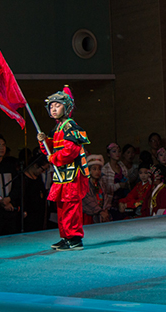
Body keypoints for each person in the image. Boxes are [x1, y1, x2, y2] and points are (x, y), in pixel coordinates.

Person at [37, 86, 91, 251]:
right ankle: (66, 237)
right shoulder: (57, 128)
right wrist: (43, 141)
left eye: (57, 105)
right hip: (62, 173)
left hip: (72, 174)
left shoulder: (70, 126)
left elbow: (70, 151)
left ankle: (74, 238)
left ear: (67, 108)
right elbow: (50, 149)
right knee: (62, 207)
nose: (53, 109)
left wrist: (53, 158)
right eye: (51, 106)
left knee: (71, 207)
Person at [8, 152, 49, 233]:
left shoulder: (38, 178)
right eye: (42, 169)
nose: (43, 172)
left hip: (39, 214)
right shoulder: (22, 179)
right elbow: (19, 196)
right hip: (27, 214)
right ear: (35, 165)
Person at [82, 155, 112, 224]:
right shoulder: (85, 184)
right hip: (90, 217)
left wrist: (105, 210)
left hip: (103, 214)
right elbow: (88, 200)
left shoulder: (101, 184)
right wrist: (100, 211)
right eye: (94, 169)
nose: (97, 171)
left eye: (99, 169)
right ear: (89, 170)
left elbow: (106, 197)